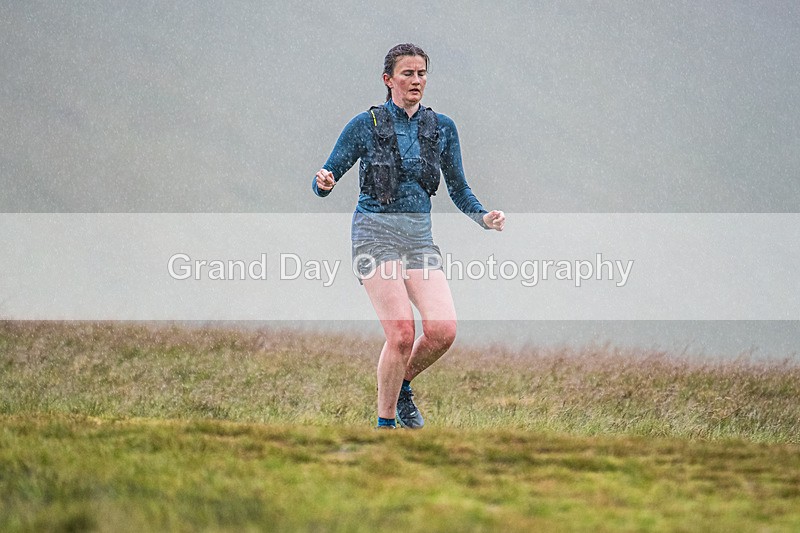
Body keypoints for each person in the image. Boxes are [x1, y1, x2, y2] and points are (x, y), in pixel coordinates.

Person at [312, 43, 505, 430]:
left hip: (418, 240)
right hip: (373, 235)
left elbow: (459, 188)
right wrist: (324, 184)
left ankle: (401, 384)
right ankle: (385, 428)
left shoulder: (442, 128)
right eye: (407, 74)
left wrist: (483, 217)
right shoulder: (365, 125)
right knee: (401, 334)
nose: (416, 80)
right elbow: (325, 178)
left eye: (421, 73)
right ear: (389, 80)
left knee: (443, 331)